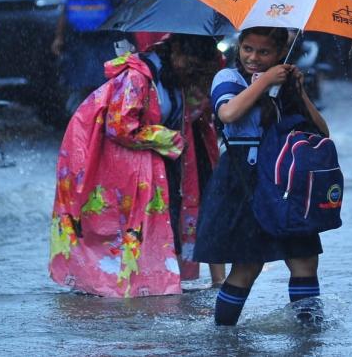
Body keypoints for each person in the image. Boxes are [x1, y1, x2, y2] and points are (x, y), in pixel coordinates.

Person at [49, 33, 225, 298]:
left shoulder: (173, 78)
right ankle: (116, 285)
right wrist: (167, 138)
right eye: (190, 64)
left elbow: (183, 114)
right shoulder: (138, 78)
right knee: (118, 228)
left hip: (158, 162)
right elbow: (120, 125)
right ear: (175, 50)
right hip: (121, 165)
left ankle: (158, 283)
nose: (192, 72)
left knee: (161, 223)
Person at [193, 27, 329, 326]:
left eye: (264, 52)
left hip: (285, 180)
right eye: (247, 49)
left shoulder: (287, 81)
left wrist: (299, 90)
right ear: (238, 48)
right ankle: (224, 335)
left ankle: (308, 333)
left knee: (305, 260)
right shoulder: (228, 78)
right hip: (244, 179)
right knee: (247, 264)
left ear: (280, 53)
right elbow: (228, 114)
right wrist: (265, 81)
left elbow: (321, 131)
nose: (253, 57)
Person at [51, 0, 131, 115]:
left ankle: (82, 121)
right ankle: (106, 118)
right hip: (106, 36)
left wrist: (59, 38)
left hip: (78, 40)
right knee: (110, 81)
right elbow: (127, 4)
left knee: (81, 83)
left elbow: (64, 10)